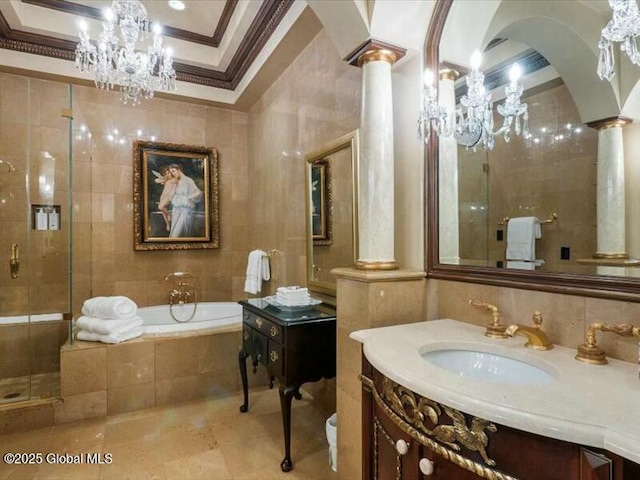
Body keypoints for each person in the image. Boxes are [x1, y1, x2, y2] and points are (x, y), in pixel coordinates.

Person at [168, 163, 202, 238]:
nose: (172, 174)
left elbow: (198, 192)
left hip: (185, 209)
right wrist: (175, 186)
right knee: (174, 230)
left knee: (179, 232)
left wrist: (188, 198)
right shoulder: (176, 181)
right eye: (171, 172)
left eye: (173, 171)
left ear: (179, 170)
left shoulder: (188, 180)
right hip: (176, 209)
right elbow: (170, 197)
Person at [154, 166, 177, 231]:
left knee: (160, 207)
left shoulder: (174, 180)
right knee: (163, 211)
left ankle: (169, 215)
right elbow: (156, 180)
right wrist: (164, 179)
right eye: (166, 173)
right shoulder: (166, 180)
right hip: (163, 196)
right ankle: (168, 224)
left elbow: (175, 187)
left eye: (169, 173)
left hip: (169, 197)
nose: (168, 174)